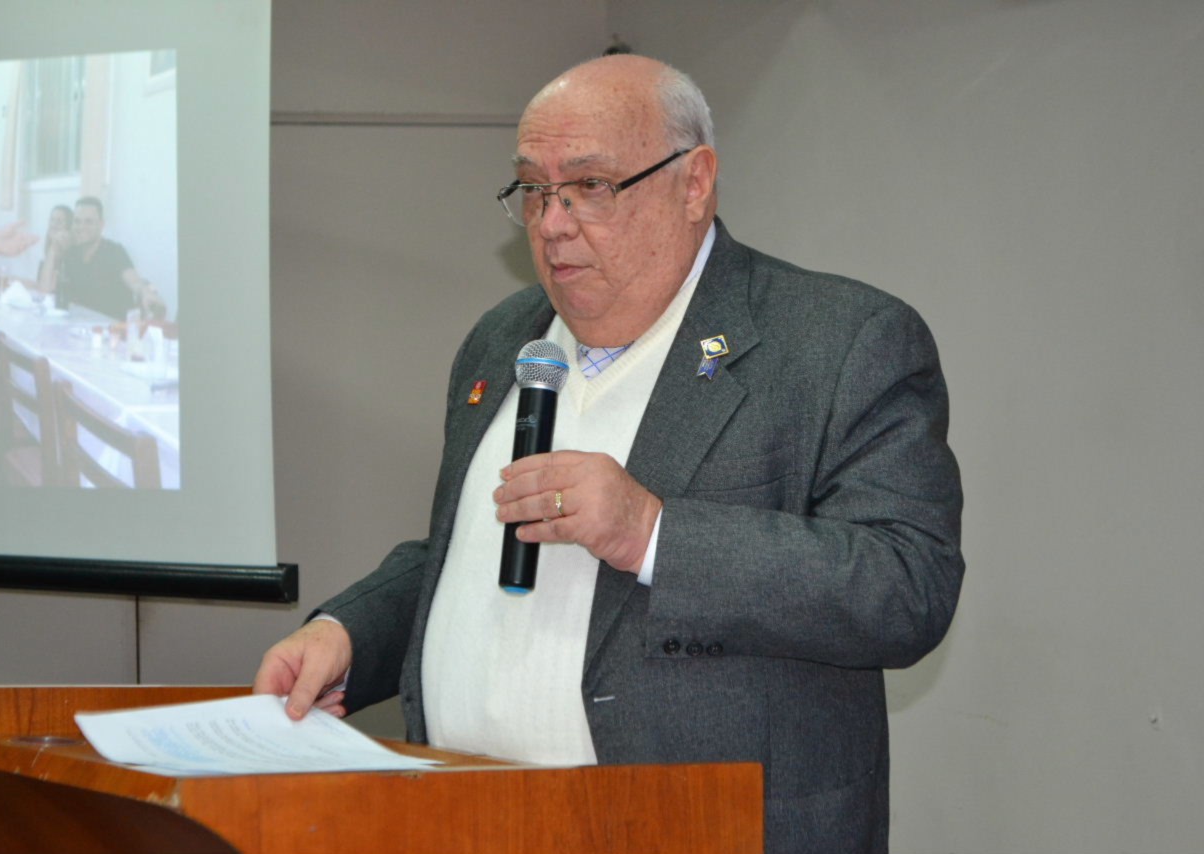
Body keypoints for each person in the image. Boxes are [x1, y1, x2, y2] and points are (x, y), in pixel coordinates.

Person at [254, 54, 964, 853]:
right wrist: (351, 634)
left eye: (590, 185)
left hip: (706, 832)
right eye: (534, 189)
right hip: (464, 821)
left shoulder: (838, 342)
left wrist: (654, 532)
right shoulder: (503, 338)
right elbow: (465, 548)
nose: (552, 223)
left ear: (694, 183)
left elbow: (908, 587)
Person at [49, 196, 164, 319]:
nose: (81, 227)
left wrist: (146, 292)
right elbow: (45, 291)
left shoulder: (114, 251)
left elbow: (134, 281)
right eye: (77, 221)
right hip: (79, 325)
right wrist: (53, 249)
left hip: (113, 327)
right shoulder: (71, 253)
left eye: (88, 222)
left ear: (101, 225)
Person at [35, 204, 73, 293]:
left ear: (68, 227)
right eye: (52, 220)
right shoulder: (46, 257)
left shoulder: (71, 259)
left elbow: (46, 290)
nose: (53, 225)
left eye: (59, 221)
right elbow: (40, 287)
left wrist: (53, 247)